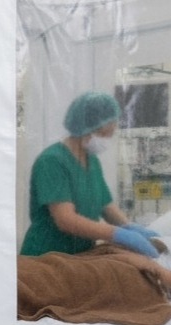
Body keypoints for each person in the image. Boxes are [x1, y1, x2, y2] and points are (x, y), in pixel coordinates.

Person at [20, 91, 159, 258]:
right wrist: (117, 234)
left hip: (79, 255)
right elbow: (66, 220)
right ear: (89, 127)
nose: (111, 133)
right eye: (106, 133)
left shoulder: (92, 161)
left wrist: (130, 227)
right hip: (45, 256)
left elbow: (106, 206)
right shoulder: (52, 161)